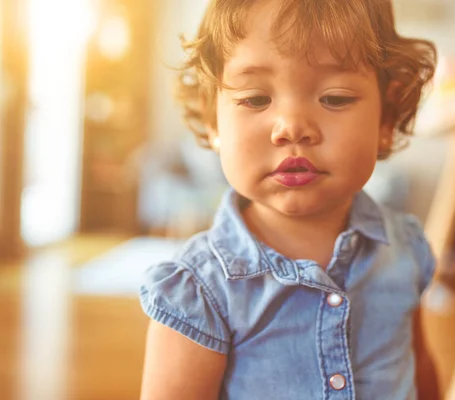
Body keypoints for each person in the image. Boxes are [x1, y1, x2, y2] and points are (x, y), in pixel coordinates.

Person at [139, 0, 438, 398]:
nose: (292, 127)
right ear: (213, 122)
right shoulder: (200, 291)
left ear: (386, 119)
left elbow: (421, 373)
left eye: (335, 98)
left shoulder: (403, 249)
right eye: (256, 99)